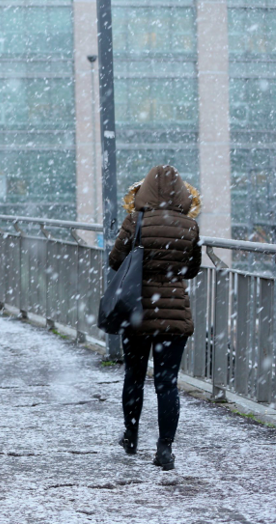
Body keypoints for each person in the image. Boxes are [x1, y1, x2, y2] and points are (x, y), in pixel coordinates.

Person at [109, 165, 202, 471]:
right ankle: (165, 449)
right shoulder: (190, 226)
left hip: (136, 312)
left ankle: (132, 436)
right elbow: (191, 269)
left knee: (134, 377)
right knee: (167, 384)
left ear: (145, 189)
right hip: (173, 317)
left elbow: (115, 261)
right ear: (182, 192)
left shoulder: (136, 220)